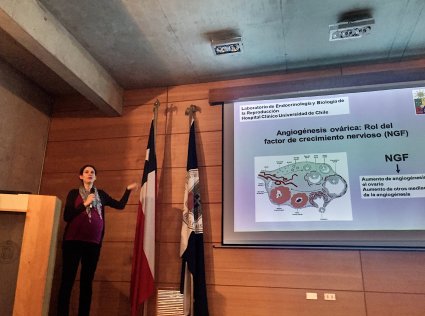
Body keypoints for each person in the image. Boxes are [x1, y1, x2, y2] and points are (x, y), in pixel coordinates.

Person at [57, 164, 138, 316]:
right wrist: (85, 204)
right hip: (73, 243)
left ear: (95, 177)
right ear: (81, 176)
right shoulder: (74, 193)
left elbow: (120, 205)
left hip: (93, 245)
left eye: (92, 172)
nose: (89, 174)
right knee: (67, 281)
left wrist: (127, 190)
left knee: (86, 284)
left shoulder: (101, 194)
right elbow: (67, 216)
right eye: (86, 172)